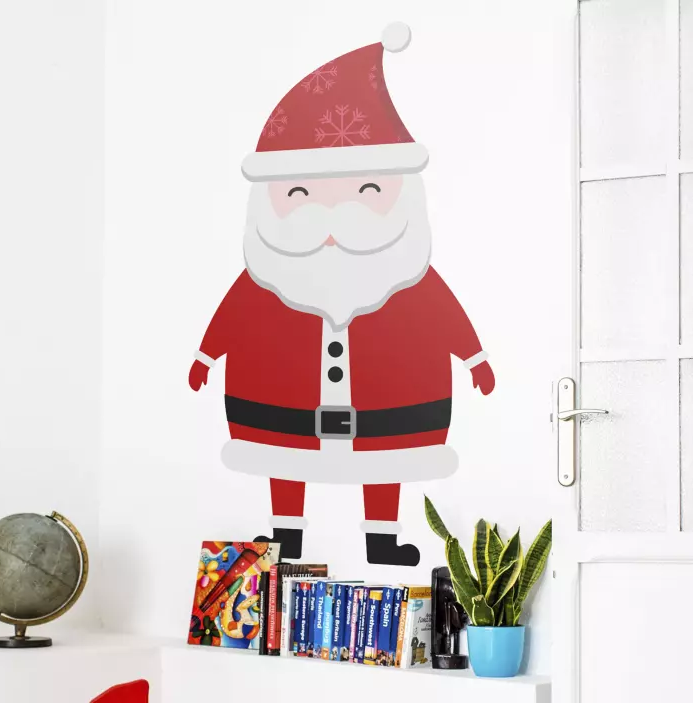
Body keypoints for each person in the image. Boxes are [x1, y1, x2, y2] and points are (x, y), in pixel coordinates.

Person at [190, 23, 494, 567]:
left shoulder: (410, 276)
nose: (330, 212)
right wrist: (204, 357)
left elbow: (444, 316)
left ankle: (382, 541)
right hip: (279, 411)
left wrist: (475, 359)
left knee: (384, 464)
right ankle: (286, 538)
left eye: (368, 190)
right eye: (299, 193)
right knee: (283, 460)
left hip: (391, 412)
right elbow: (232, 316)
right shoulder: (266, 277)